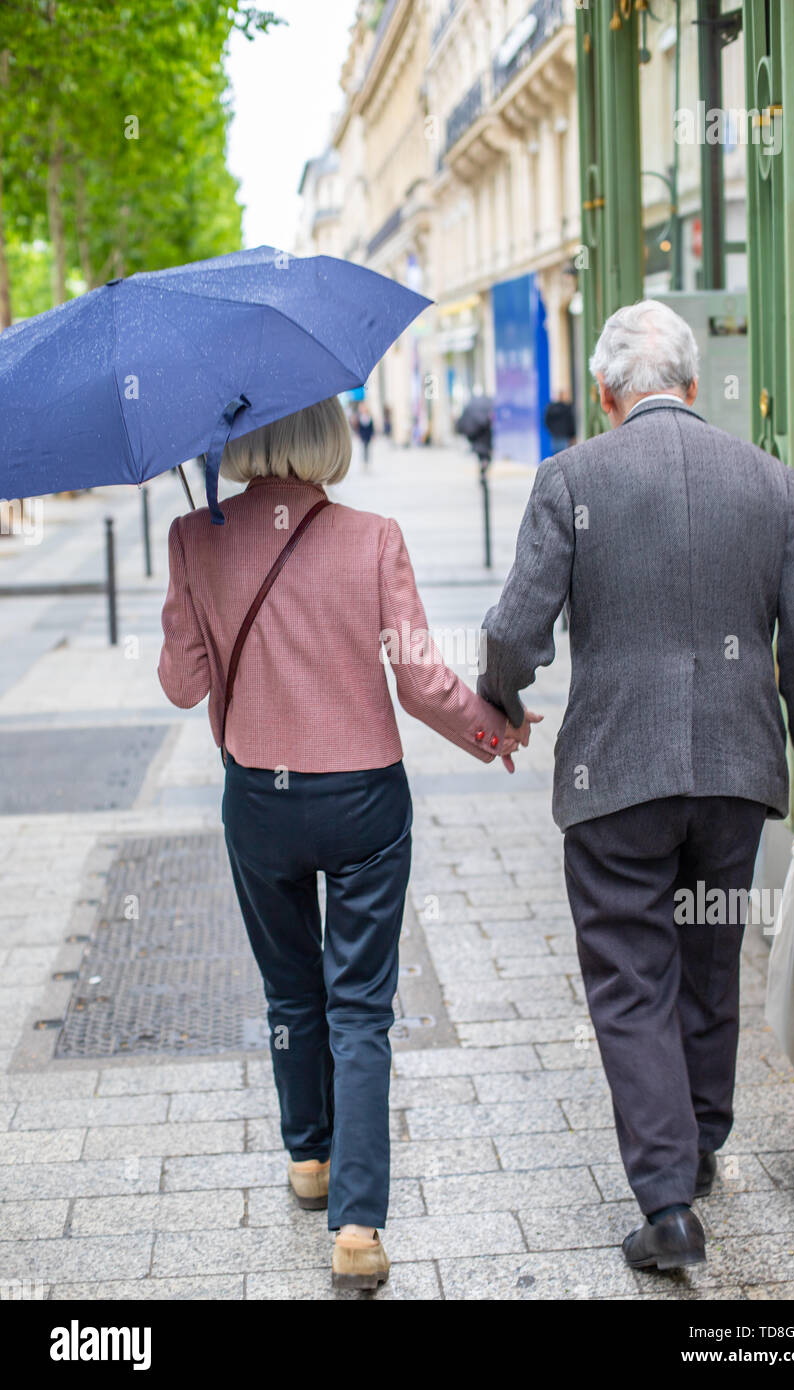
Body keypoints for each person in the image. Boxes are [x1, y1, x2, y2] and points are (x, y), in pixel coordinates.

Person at [477, 300, 794, 1273]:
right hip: (732, 771)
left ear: (606, 397)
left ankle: (665, 1199)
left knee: (628, 975)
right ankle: (702, 1134)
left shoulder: (571, 478)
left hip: (615, 775)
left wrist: (501, 701)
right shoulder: (770, 484)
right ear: (690, 388)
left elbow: (514, 632)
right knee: (706, 948)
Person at [157, 396, 526, 1291]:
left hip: (259, 801)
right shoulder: (372, 536)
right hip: (362, 802)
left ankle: (308, 1158)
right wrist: (495, 732)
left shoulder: (191, 535)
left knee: (291, 994)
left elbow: (179, 684)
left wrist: (200, 599)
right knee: (360, 1008)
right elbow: (422, 680)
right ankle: (358, 1226)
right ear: (327, 436)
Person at [544, 389, 576, 453]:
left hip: (558, 438)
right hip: (565, 438)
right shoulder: (566, 408)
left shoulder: (551, 408)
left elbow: (547, 422)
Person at [357, 403, 374, 468]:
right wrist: (359, 434)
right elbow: (359, 427)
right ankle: (364, 461)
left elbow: (372, 427)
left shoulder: (369, 416)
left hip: (368, 435)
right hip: (363, 435)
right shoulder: (360, 417)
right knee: (364, 448)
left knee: (367, 448)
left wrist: (372, 434)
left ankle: (367, 461)